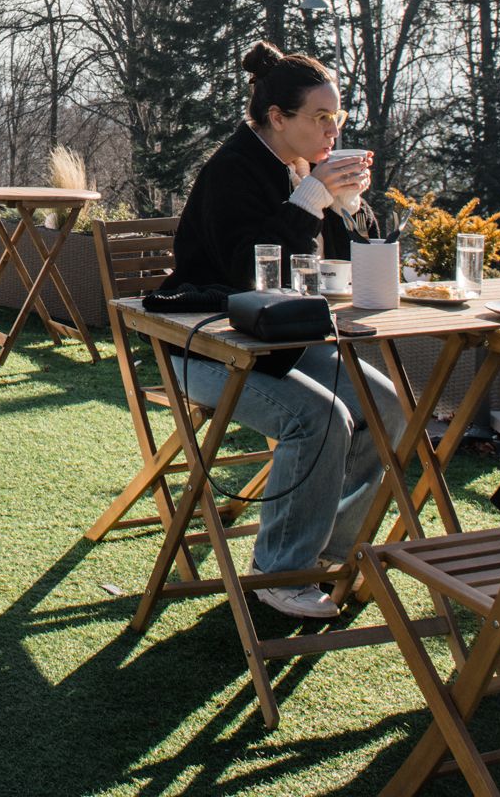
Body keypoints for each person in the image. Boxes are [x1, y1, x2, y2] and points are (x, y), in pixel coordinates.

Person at [165, 40, 405, 621]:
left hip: (287, 345)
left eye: (338, 118)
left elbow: (345, 265)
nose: (332, 130)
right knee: (319, 417)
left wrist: (346, 204)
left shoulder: (305, 171)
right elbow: (252, 273)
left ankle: (325, 553)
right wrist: (312, 196)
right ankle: (280, 573)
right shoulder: (234, 170)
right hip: (210, 348)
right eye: (321, 118)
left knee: (386, 408)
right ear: (278, 118)